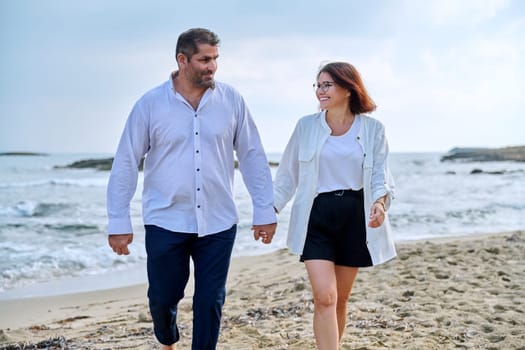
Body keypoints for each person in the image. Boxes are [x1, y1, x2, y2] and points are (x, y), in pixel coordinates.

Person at [106, 28, 277, 350]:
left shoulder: (232, 100)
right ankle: (167, 339)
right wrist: (118, 221)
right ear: (182, 60)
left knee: (210, 300)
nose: (211, 66)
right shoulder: (150, 104)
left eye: (215, 59)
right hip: (165, 219)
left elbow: (252, 154)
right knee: (162, 298)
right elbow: (126, 161)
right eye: (204, 59)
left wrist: (264, 209)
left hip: (218, 220)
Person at [273, 61, 396, 349]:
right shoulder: (306, 127)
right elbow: (288, 174)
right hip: (316, 218)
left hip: (355, 217)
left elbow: (380, 173)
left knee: (339, 300)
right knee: (324, 297)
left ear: (348, 88)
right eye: (317, 85)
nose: (320, 90)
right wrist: (271, 210)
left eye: (327, 84)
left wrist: (380, 203)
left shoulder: (373, 129)